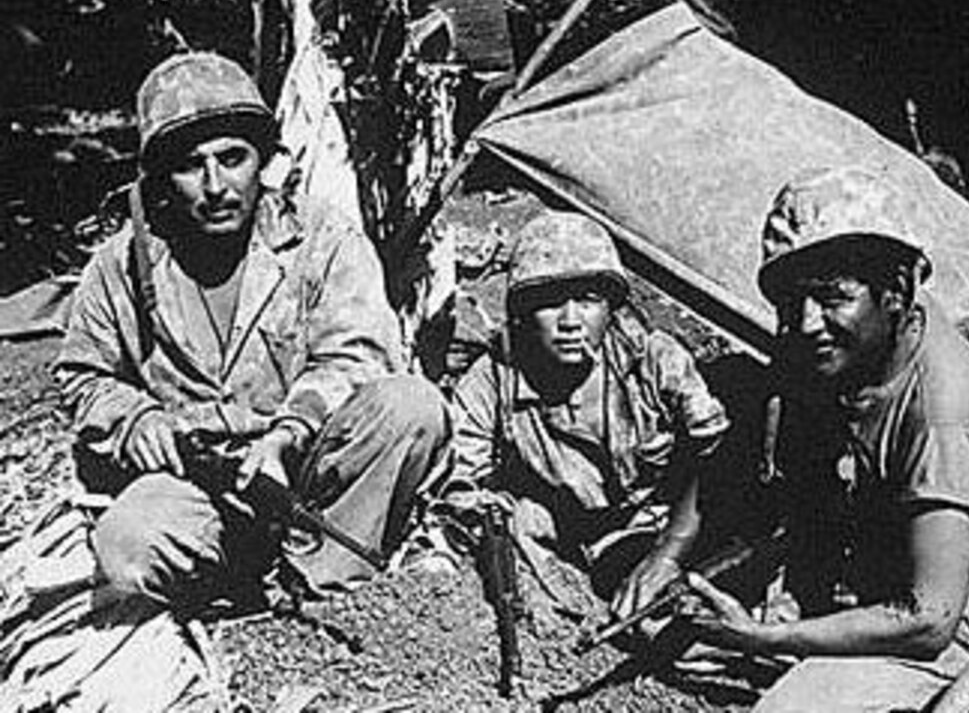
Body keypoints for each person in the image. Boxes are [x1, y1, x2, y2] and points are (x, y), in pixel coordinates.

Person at [53, 50, 451, 606]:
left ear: (261, 160)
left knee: (412, 406)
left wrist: (286, 436)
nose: (216, 184)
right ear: (163, 177)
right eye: (192, 165)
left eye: (233, 157)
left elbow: (358, 356)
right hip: (195, 479)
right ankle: (229, 583)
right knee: (128, 546)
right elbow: (81, 375)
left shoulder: (321, 238)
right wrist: (134, 418)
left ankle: (322, 581)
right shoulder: (122, 264)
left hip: (304, 470)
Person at [676, 166, 969, 711]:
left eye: (832, 298)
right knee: (673, 630)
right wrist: (669, 552)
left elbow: (930, 618)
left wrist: (767, 638)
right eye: (792, 303)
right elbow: (749, 433)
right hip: (849, 554)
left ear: (895, 292)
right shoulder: (840, 338)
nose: (808, 322)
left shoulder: (943, 413)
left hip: (935, 622)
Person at [446, 210, 730, 619]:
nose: (570, 322)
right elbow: (461, 483)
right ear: (523, 314)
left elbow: (718, 456)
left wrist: (672, 546)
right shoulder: (493, 380)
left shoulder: (654, 361)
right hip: (582, 538)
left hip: (678, 525)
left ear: (611, 308)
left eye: (588, 301)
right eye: (549, 304)